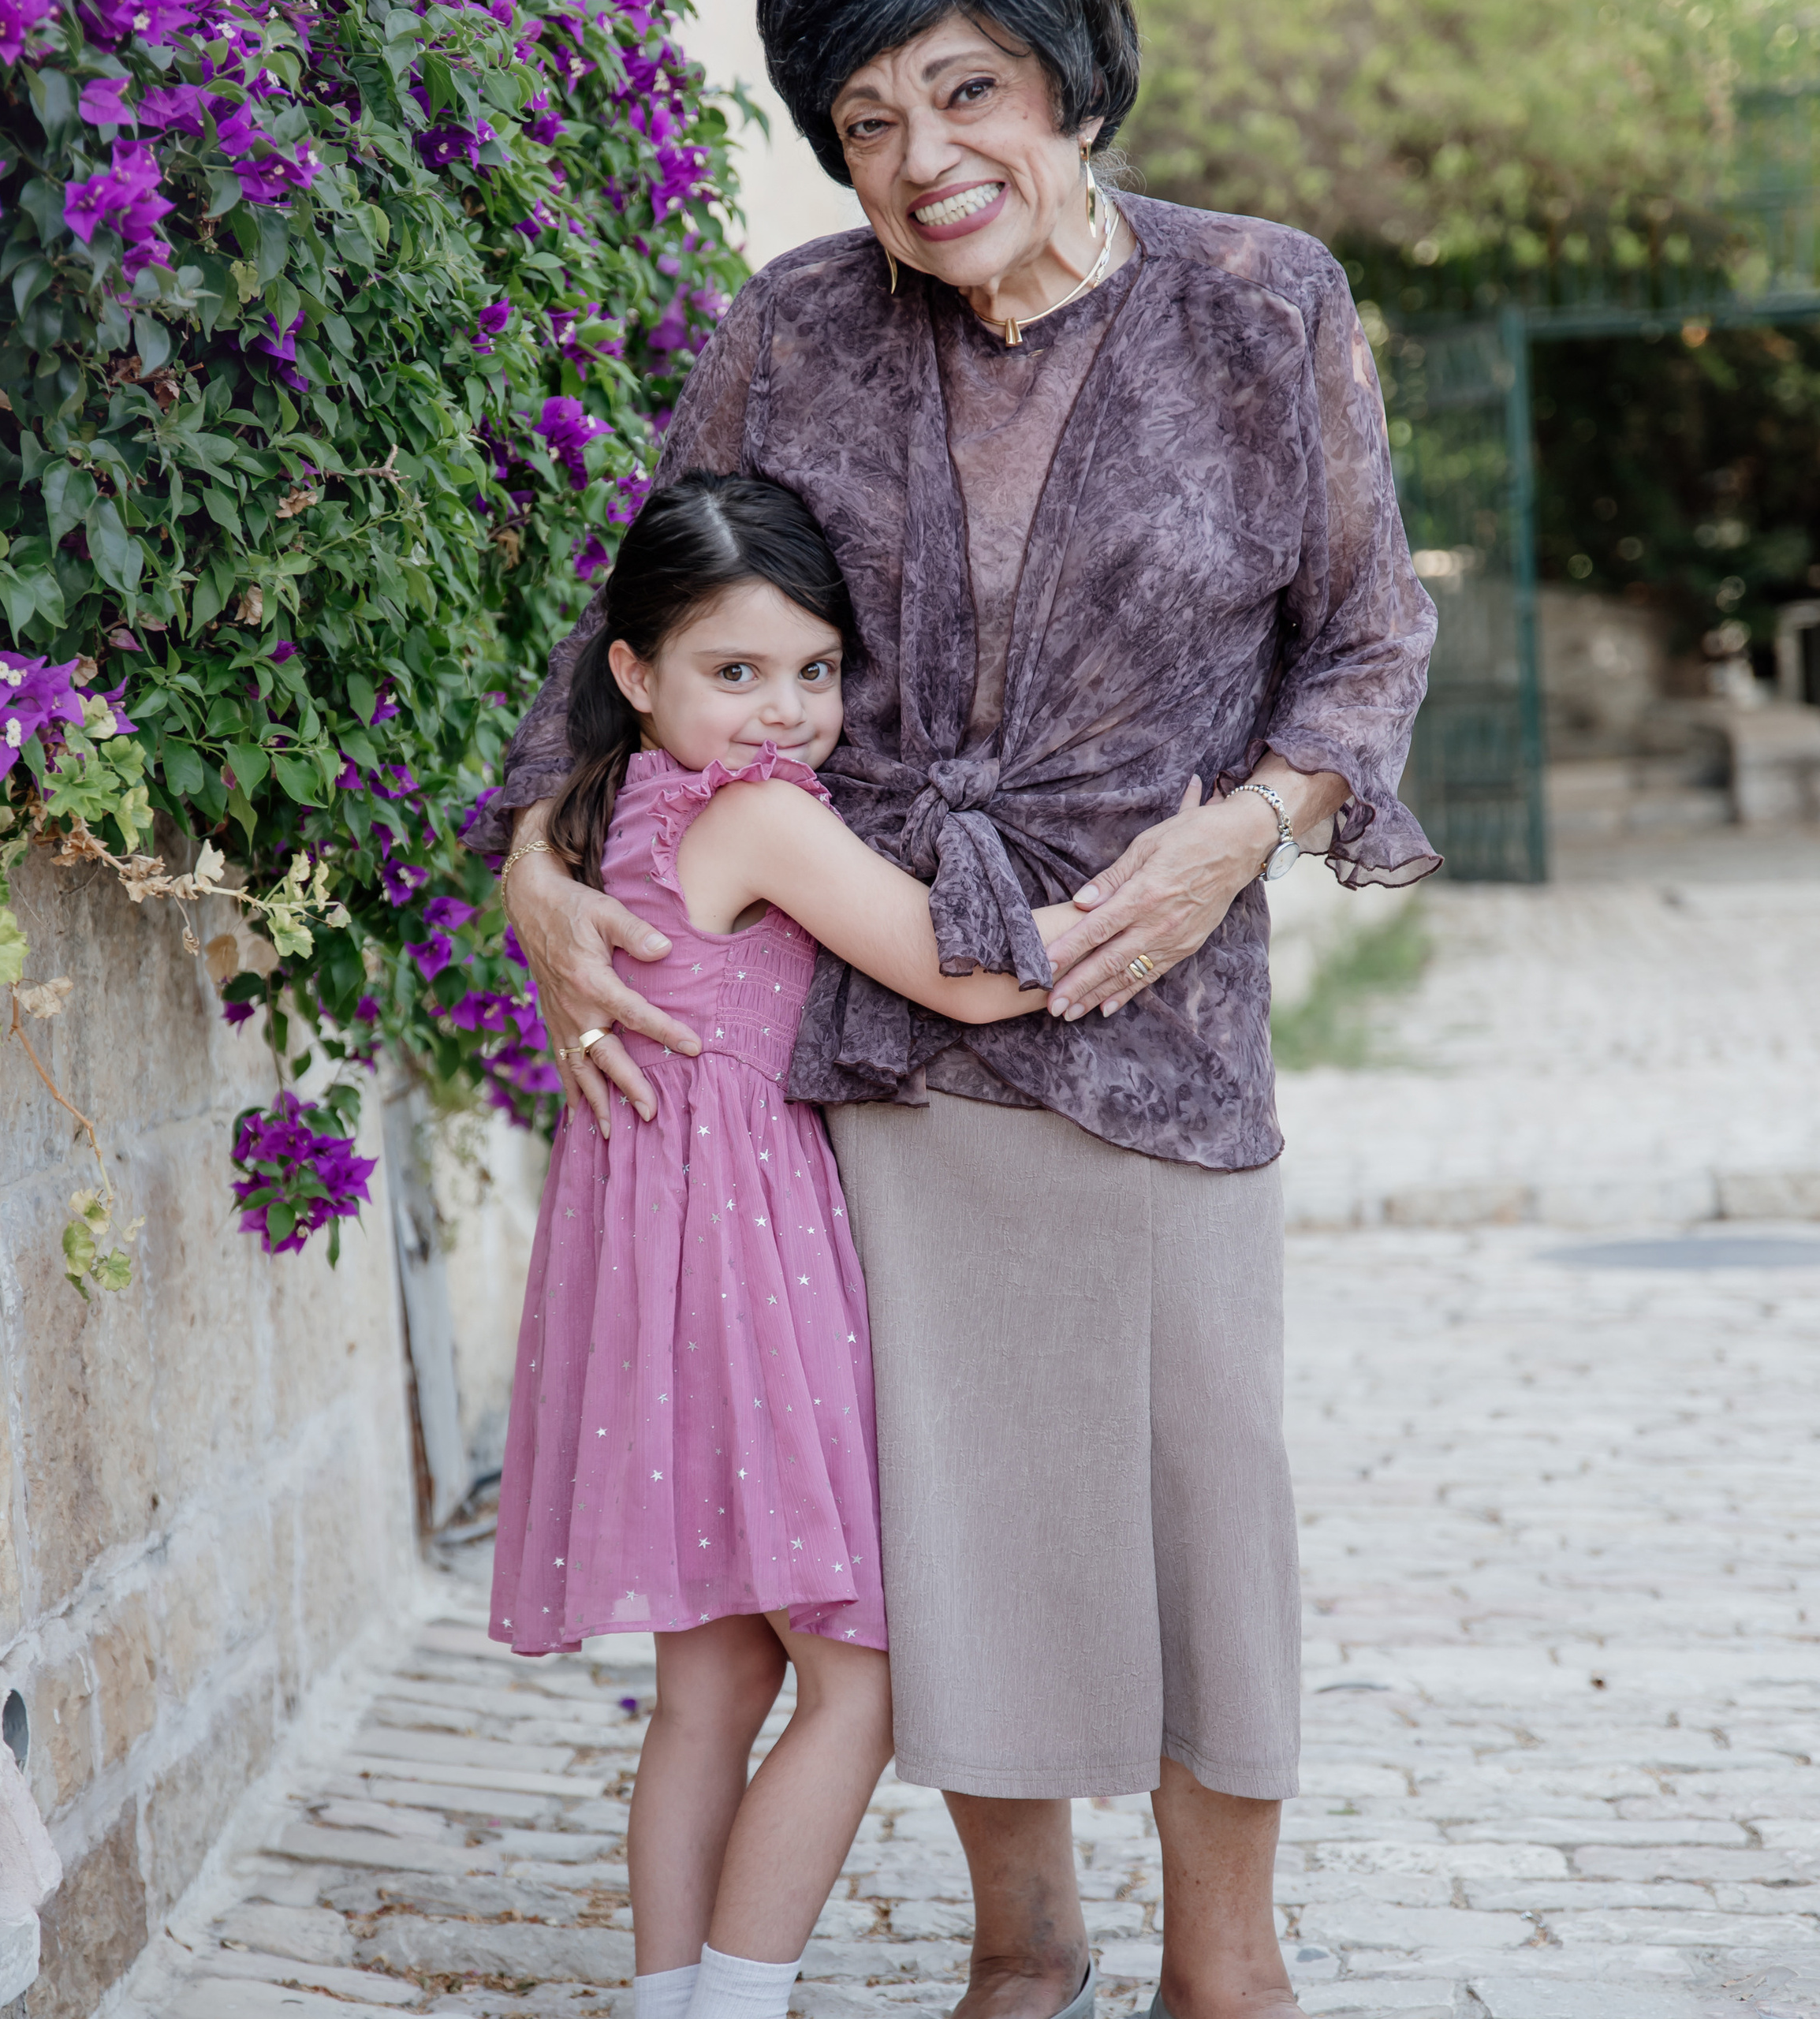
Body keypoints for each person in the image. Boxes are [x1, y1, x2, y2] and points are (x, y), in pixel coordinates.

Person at [469, 5, 1441, 2015]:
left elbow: (1365, 633)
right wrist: (532, 867)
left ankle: (1225, 1959)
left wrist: (1244, 828)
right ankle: (1023, 1940)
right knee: (957, 1504)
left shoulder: (1262, 301)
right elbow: (636, 629)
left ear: (1071, 84)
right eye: (864, 117)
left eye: (965, 92)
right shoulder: (793, 324)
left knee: (1200, 1488)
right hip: (881, 1019)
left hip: (1159, 988)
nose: (920, 158)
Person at [488, 472, 1084, 2019]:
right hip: (744, 1258)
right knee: (855, 1673)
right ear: (632, 674)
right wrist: (1137, 917)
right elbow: (955, 977)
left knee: (709, 1681)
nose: (782, 712)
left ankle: (669, 2002)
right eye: (733, 671)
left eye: (813, 670)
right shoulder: (754, 816)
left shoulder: (605, 811)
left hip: (641, 1251)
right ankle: (739, 1998)